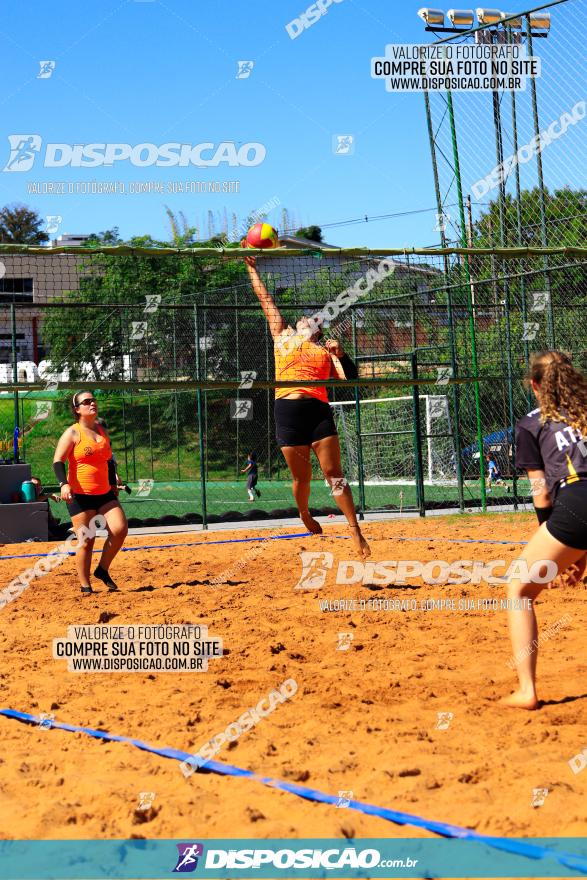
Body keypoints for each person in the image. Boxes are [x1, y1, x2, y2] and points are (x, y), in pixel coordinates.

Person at [244, 255, 370, 557]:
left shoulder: (325, 351)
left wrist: (341, 354)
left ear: (317, 331)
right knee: (302, 478)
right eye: (304, 318)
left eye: (312, 320)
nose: (306, 318)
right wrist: (252, 268)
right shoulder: (282, 336)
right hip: (287, 413)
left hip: (317, 412)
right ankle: (303, 513)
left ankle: (355, 530)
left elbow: (351, 381)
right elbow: (265, 299)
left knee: (334, 474)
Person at [502, 351, 587, 709]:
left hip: (576, 501)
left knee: (518, 588)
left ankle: (527, 691)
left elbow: (540, 492)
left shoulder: (531, 423)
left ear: (535, 385)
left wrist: (553, 538)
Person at [53, 392, 128, 594]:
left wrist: (113, 482)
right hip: (80, 495)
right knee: (87, 540)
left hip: (104, 492)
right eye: (86, 402)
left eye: (93, 400)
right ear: (77, 409)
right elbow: (58, 461)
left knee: (120, 529)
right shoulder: (72, 433)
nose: (92, 403)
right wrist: (63, 484)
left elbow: (109, 459)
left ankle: (102, 570)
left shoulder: (101, 430)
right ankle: (85, 586)